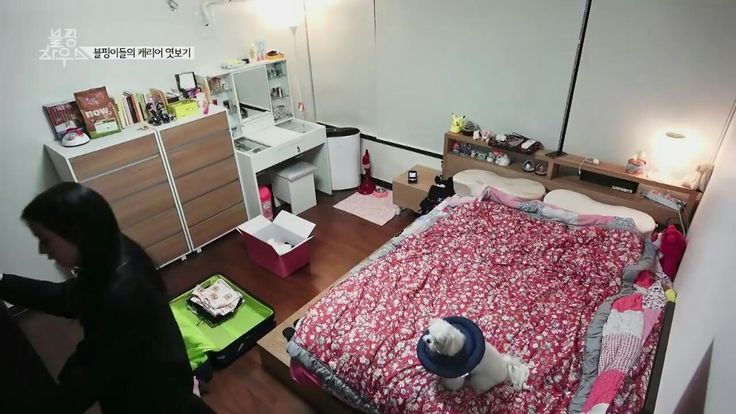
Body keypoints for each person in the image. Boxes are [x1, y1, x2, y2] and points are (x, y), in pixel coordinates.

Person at [0, 182, 197, 413]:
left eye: (44, 239)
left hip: (151, 395)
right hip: (160, 372)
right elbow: (67, 298)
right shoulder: (113, 250)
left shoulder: (120, 295)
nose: (42, 251)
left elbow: (90, 377)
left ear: (76, 234)